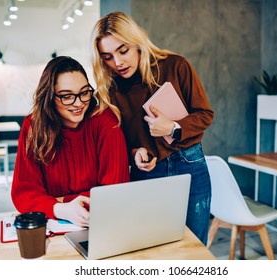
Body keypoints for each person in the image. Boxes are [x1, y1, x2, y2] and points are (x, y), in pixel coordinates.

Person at [91, 12, 214, 245]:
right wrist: (135, 153)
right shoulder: (109, 90)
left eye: (123, 50)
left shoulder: (176, 65)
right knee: (152, 249)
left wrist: (173, 127)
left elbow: (205, 114)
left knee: (195, 248)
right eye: (107, 56)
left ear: (137, 43)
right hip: (146, 174)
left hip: (190, 165)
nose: (117, 62)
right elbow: (119, 140)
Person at [11, 56, 130, 227]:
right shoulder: (32, 126)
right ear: (50, 97)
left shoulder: (105, 121)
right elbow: (24, 194)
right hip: (53, 224)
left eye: (84, 92)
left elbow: (114, 193)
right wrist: (62, 209)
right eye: (66, 96)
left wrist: (59, 200)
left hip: (101, 223)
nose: (79, 103)